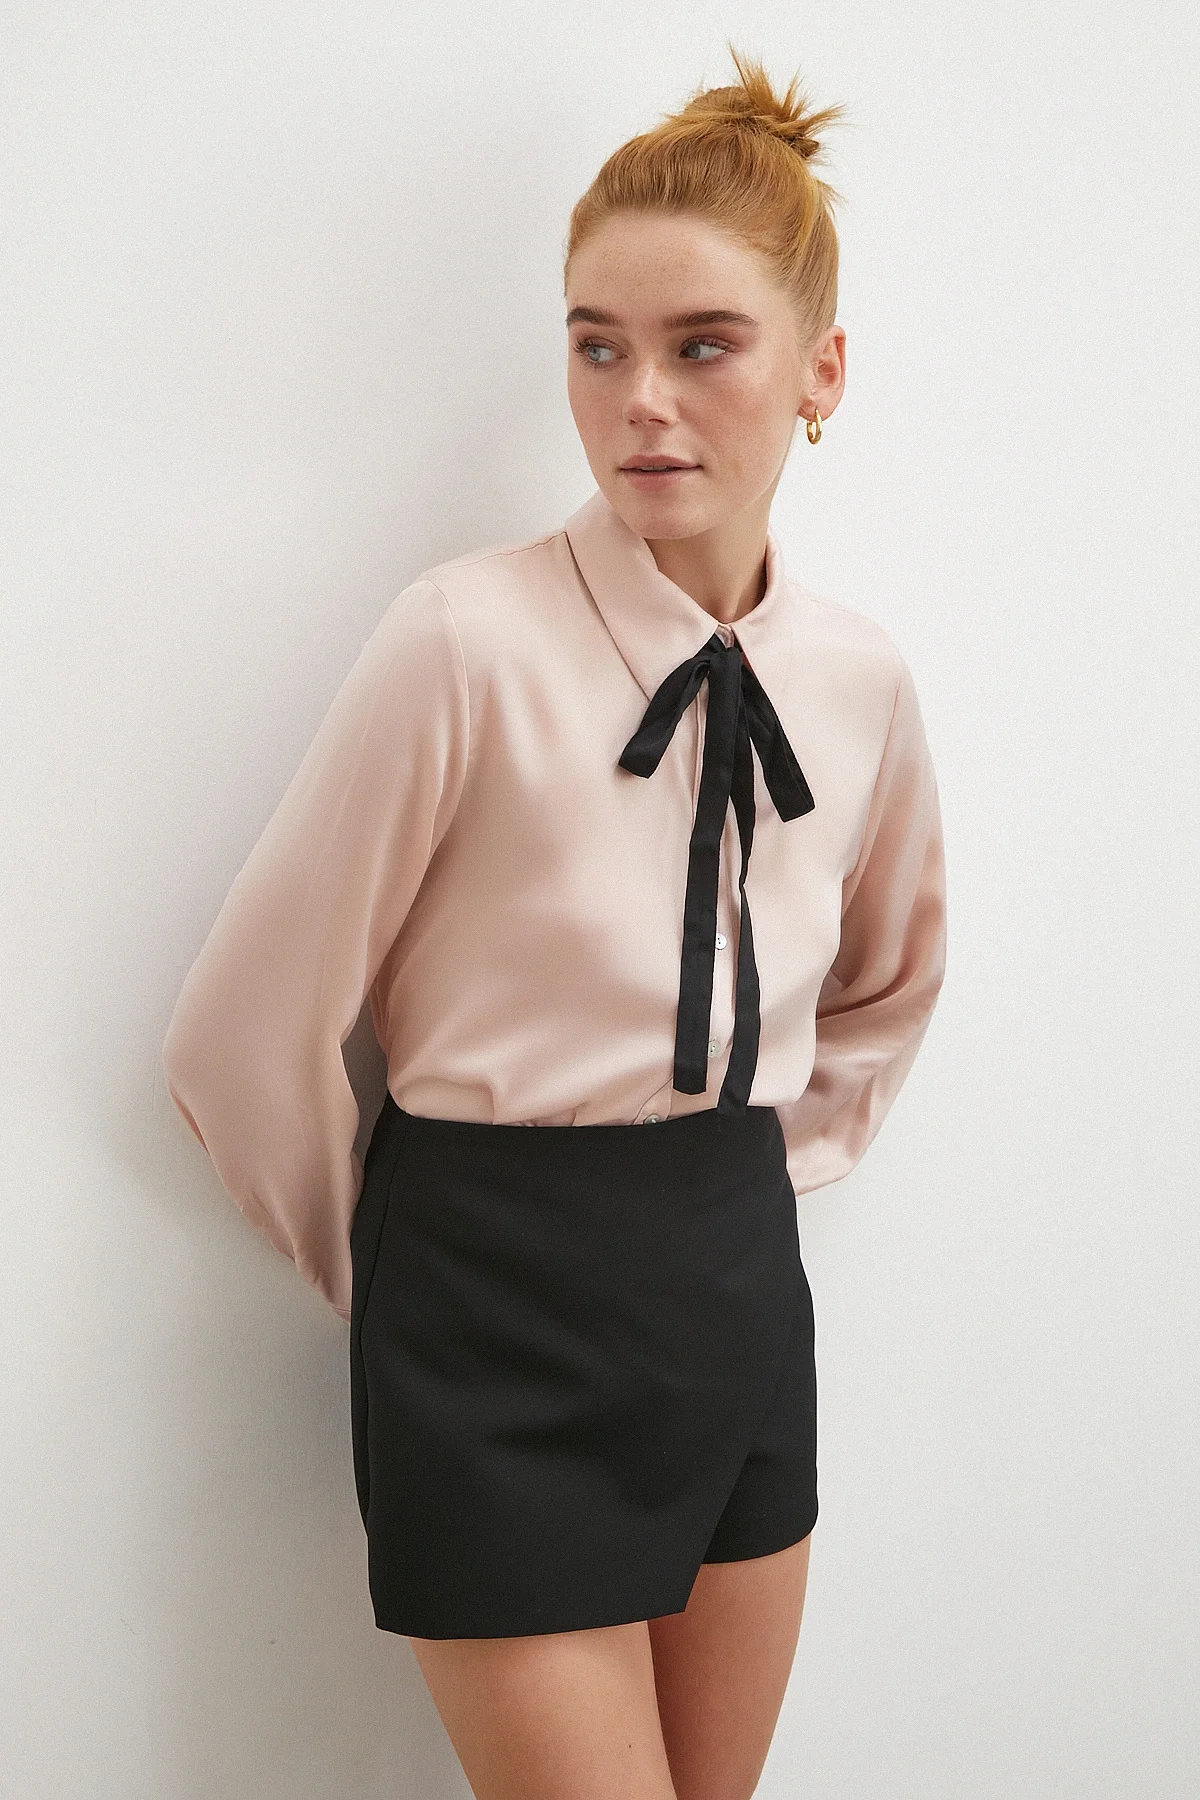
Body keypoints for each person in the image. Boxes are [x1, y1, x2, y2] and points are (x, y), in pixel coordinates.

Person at [161, 45, 947, 1800]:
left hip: (734, 1299)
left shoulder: (860, 679)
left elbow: (891, 986)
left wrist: (738, 1184)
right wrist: (407, 1277)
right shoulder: (463, 640)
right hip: (486, 1313)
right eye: (598, 346)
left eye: (702, 346)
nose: (641, 400)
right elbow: (239, 1033)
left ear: (821, 373)